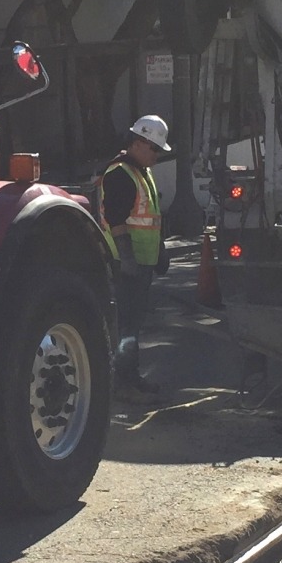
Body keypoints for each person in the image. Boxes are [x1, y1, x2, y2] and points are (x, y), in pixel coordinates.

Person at [98, 115, 169, 398]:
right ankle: (122, 383)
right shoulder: (120, 174)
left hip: (141, 262)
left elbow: (151, 218)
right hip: (125, 264)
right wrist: (127, 258)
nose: (156, 155)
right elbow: (116, 220)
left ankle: (130, 377)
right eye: (154, 148)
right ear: (138, 143)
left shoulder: (141, 172)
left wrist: (159, 251)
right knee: (125, 324)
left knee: (132, 324)